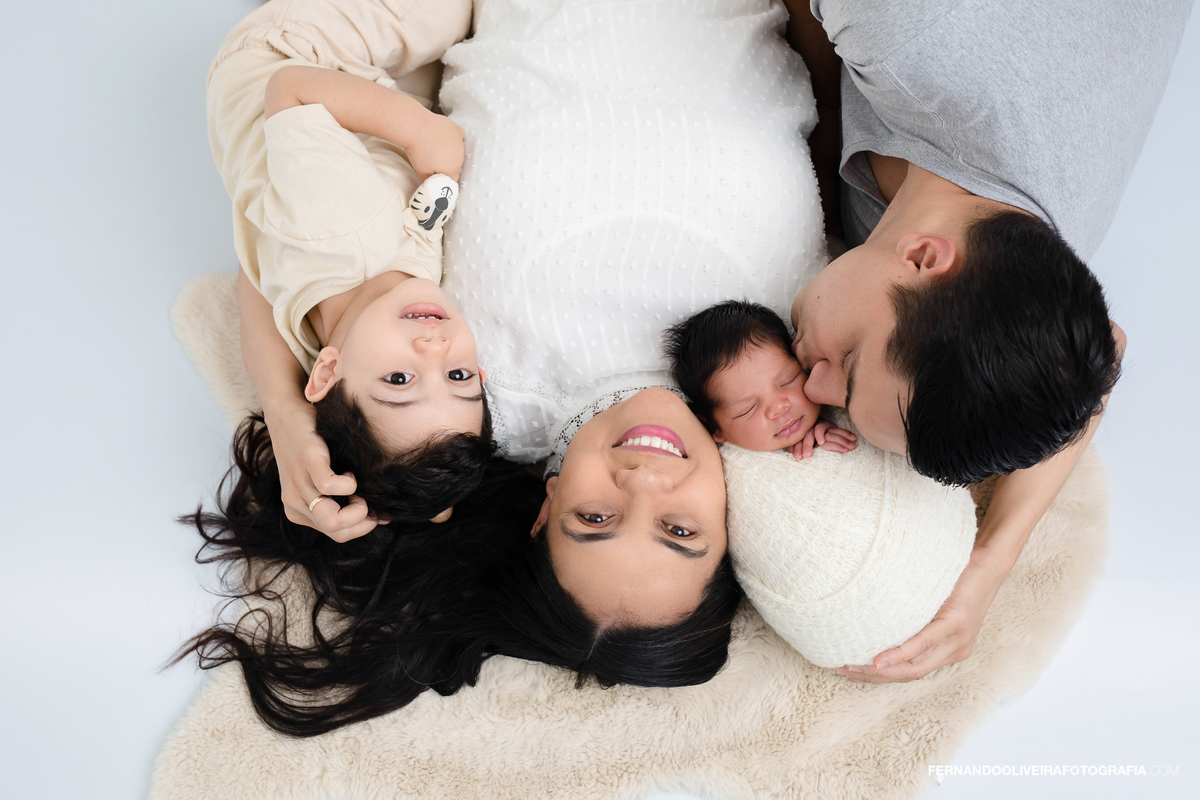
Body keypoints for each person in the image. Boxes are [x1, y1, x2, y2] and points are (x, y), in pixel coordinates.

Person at [181, 0, 821, 734]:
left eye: (596, 518)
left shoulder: (469, 398)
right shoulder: (788, 389)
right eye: (680, 529)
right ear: (733, 528)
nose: (644, 483)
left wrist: (290, 414)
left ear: (546, 509)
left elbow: (273, 257)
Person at [778, 0, 1192, 682]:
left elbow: (1106, 353)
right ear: (923, 257)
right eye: (845, 364)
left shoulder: (1024, 269)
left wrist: (988, 568)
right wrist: (817, 127)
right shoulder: (909, 35)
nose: (810, 384)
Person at [209, 0, 493, 530]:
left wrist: (421, 132)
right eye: (458, 376)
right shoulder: (334, 330)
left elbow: (290, 88)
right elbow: (256, 279)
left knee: (451, 14)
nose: (434, 349)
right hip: (338, 122)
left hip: (296, 51)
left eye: (400, 379)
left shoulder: (345, 226)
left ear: (328, 370)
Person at [664, 300, 857, 459]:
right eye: (748, 408)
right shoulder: (718, 465)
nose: (779, 407)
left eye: (787, 381)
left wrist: (826, 435)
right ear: (713, 428)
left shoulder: (842, 406)